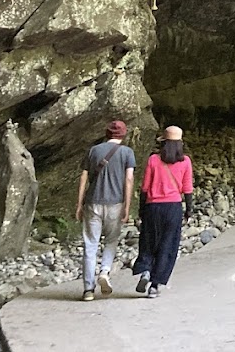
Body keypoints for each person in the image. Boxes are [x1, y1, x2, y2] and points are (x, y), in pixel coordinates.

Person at [75, 119, 135, 301]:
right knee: (111, 241)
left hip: (93, 203)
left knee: (90, 245)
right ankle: (105, 271)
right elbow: (129, 180)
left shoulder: (94, 151)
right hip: (115, 204)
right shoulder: (127, 153)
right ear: (123, 135)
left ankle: (88, 289)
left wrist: (79, 204)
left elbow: (83, 178)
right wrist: (127, 205)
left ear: (107, 134)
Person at [132, 126, 193, 298]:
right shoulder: (186, 162)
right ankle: (155, 286)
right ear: (180, 143)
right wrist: (189, 211)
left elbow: (145, 187)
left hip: (153, 207)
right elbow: (188, 188)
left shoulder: (153, 160)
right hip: (173, 208)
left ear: (163, 143)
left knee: (149, 241)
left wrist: (141, 210)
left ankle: (145, 270)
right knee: (167, 246)